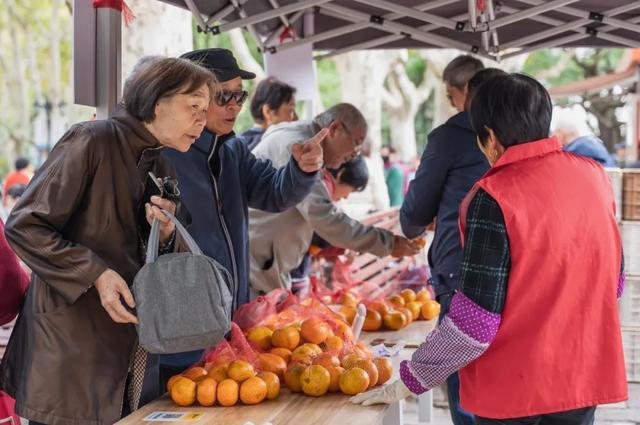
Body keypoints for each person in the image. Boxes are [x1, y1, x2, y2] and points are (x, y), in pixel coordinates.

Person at [352, 73, 627, 425]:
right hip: (581, 374)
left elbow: (475, 323)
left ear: (490, 138)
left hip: (513, 387)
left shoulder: (494, 195)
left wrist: (411, 378)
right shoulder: (595, 177)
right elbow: (613, 282)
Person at [0, 57, 215, 425]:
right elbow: (24, 224)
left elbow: (165, 255)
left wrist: (164, 233)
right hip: (72, 355)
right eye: (193, 106)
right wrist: (96, 273)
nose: (202, 119)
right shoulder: (91, 140)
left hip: (132, 351)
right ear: (155, 100)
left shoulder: (161, 162)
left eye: (205, 110)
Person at [161, 48, 325, 383]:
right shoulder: (164, 155)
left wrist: (301, 170)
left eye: (240, 95)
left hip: (229, 316)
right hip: (180, 327)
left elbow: (275, 191)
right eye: (225, 96)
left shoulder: (233, 149)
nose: (235, 105)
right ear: (194, 99)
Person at [399, 65, 504, 425]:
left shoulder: (451, 136)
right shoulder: (575, 170)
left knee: (467, 384)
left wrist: (410, 378)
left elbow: (415, 210)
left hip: (461, 274)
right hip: (516, 278)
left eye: (452, 96)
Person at [248, 103, 420, 295]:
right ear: (335, 128)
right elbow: (324, 217)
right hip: (259, 265)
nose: (356, 153)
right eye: (356, 142)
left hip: (268, 263)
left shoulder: (297, 135)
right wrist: (388, 243)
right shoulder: (298, 147)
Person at [239, 77, 297, 150]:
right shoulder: (277, 146)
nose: (294, 118)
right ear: (268, 112)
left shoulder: (236, 144)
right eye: (291, 110)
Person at [340, 140, 390, 219]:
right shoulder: (374, 166)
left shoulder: (341, 164)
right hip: (367, 216)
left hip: (343, 216)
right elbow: (381, 199)